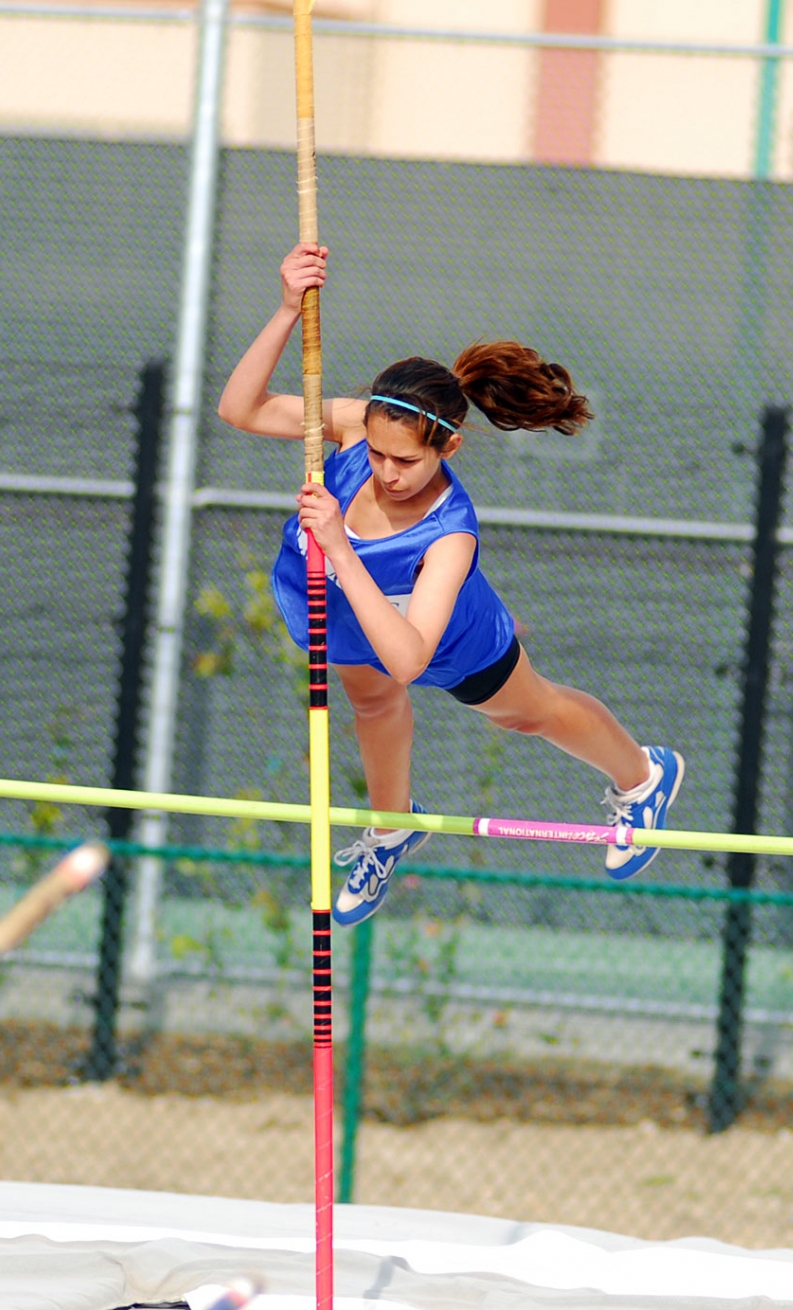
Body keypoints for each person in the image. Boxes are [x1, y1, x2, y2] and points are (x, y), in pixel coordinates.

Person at [218, 242, 684, 927]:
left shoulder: (450, 532)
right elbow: (240, 409)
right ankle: (393, 825)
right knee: (370, 704)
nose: (384, 471)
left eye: (405, 460)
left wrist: (340, 546)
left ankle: (644, 775)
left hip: (447, 637)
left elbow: (409, 657)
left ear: (449, 449)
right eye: (375, 452)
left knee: (530, 713)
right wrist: (289, 308)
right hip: (349, 606)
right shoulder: (353, 427)